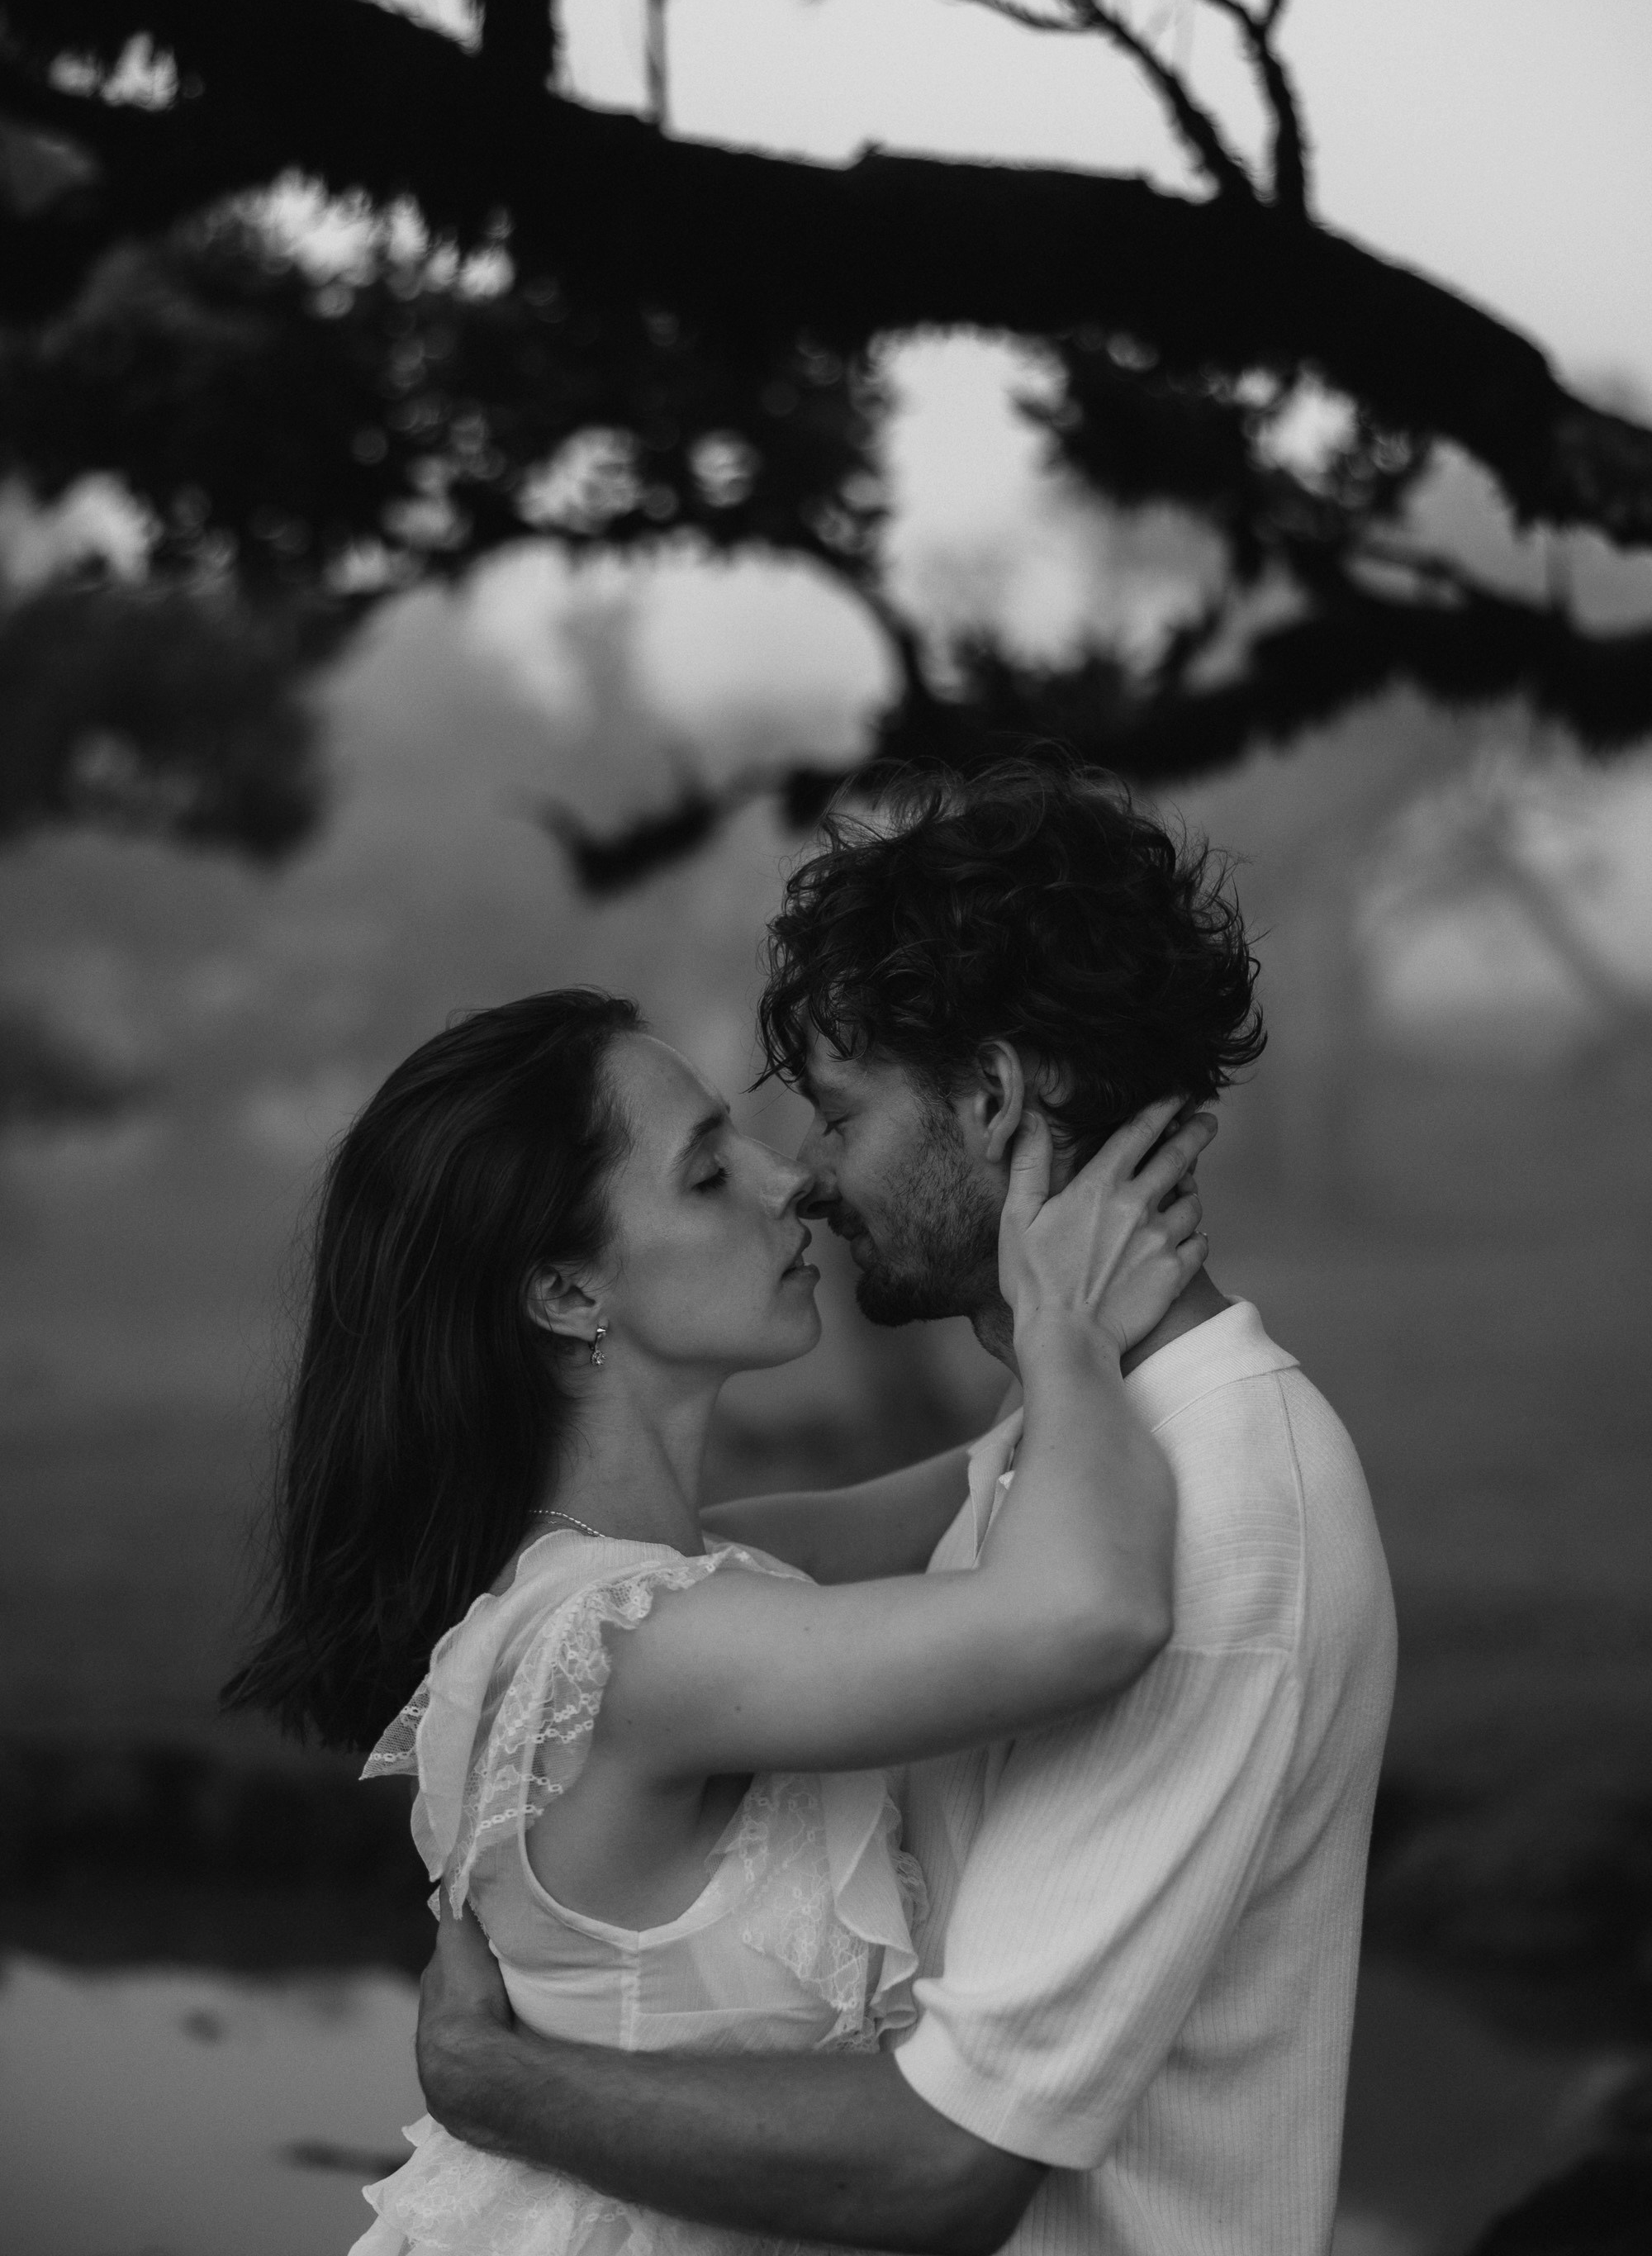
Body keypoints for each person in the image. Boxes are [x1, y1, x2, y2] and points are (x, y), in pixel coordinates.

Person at [415, 762, 1399, 2256]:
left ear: (994, 1099)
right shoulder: (1069, 1452)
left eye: (836, 1113)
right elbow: (714, 1567)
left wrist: (493, 2081)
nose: (803, 1183)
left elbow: (951, 2162)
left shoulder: (1219, 1523)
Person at [222, 980, 1214, 2255]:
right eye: (705, 1174)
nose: (786, 1179)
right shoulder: (638, 1648)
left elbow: (1003, 1486)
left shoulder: (696, 1577)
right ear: (569, 1295)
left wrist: (1069, 1269)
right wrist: (1064, 1327)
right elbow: (1091, 1611)